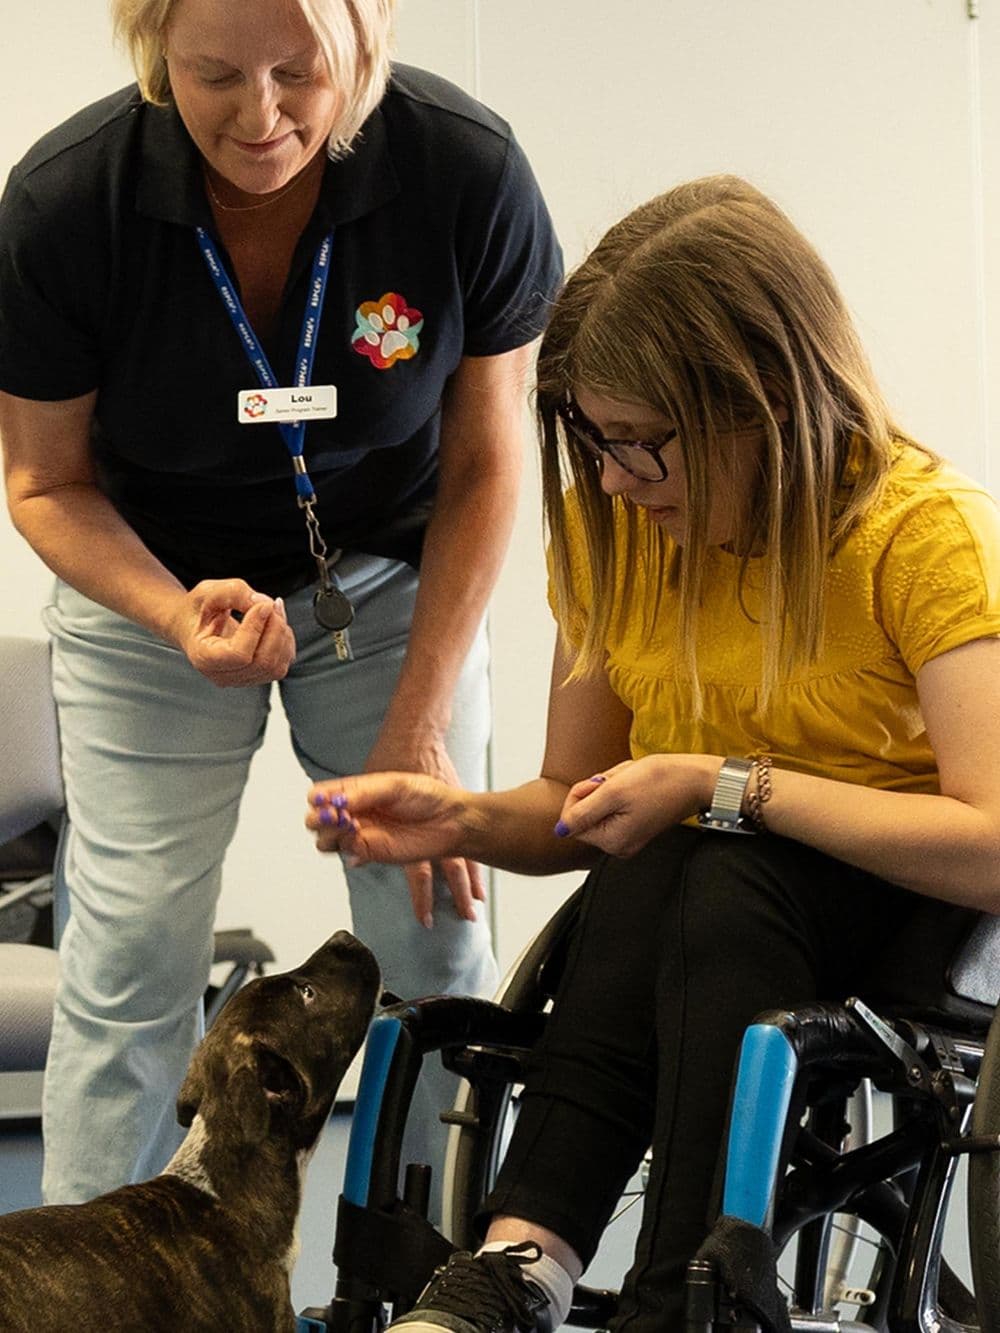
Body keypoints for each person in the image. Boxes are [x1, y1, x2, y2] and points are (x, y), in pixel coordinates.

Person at [306, 174, 1000, 1332]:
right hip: (685, 905)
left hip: (911, 915)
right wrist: (469, 820)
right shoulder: (617, 536)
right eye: (593, 440)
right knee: (661, 869)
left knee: (716, 861)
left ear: (760, 402)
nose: (614, 478)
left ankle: (684, 1283)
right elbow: (573, 805)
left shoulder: (923, 538)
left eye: (640, 444)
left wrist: (728, 784)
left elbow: (988, 845)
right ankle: (521, 1265)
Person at [0, 0, 561, 1206]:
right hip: (152, 584)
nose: (260, 118)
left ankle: (438, 1257)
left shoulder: (465, 170)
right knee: (130, 953)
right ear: (155, 52)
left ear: (365, 43)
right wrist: (167, 613)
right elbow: (44, 482)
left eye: (298, 73)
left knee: (435, 934)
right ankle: (90, 1284)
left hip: (391, 580)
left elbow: (488, 459)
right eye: (212, 75)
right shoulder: (65, 204)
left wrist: (418, 720)